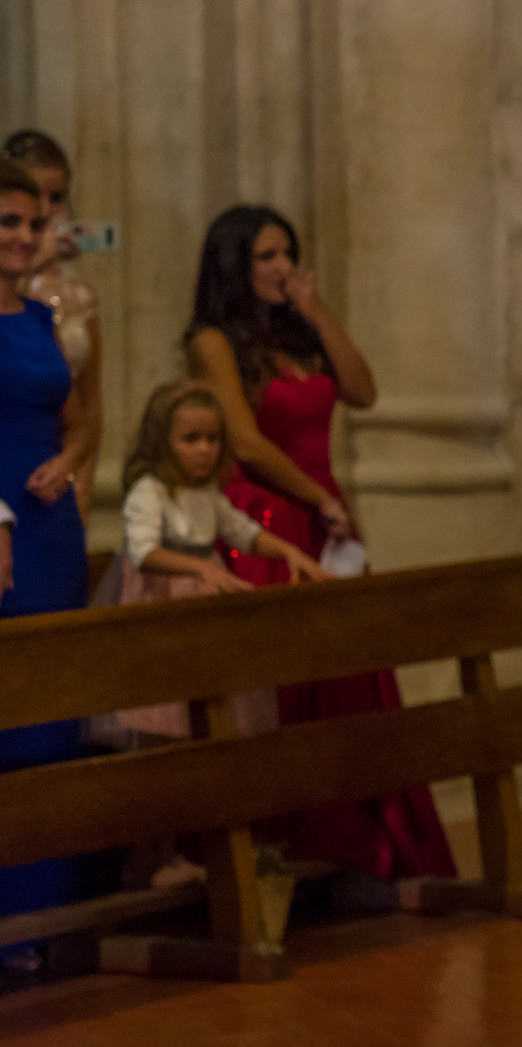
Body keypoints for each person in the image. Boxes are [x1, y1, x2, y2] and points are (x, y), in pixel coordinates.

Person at [183, 204, 454, 885]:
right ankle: (279, 848)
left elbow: (362, 390)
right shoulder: (213, 340)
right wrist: (316, 496)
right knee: (289, 685)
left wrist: (319, 309)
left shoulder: (300, 335)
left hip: (325, 511)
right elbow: (244, 441)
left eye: (288, 255)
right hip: (271, 518)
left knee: (351, 678)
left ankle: (362, 847)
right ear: (235, 266)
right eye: (267, 258)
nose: (282, 269)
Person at [113, 379, 327, 739]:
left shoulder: (207, 494)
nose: (204, 450)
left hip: (206, 599)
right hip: (164, 604)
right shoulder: (150, 491)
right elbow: (144, 550)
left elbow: (245, 533)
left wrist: (290, 551)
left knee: (218, 695)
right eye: (190, 439)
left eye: (212, 439)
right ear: (161, 442)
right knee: (172, 702)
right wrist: (200, 566)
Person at [0, 157, 98, 936]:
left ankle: (44, 918)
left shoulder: (40, 319)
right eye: (8, 221)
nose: (25, 236)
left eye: (32, 223)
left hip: (49, 534)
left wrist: (69, 463)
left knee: (50, 717)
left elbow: (83, 418)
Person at [7, 129, 102, 524]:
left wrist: (80, 484)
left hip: (58, 476)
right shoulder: (15, 291)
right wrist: (32, 266)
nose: (45, 212)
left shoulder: (77, 297)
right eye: (34, 196)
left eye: (56, 198)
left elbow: (90, 404)